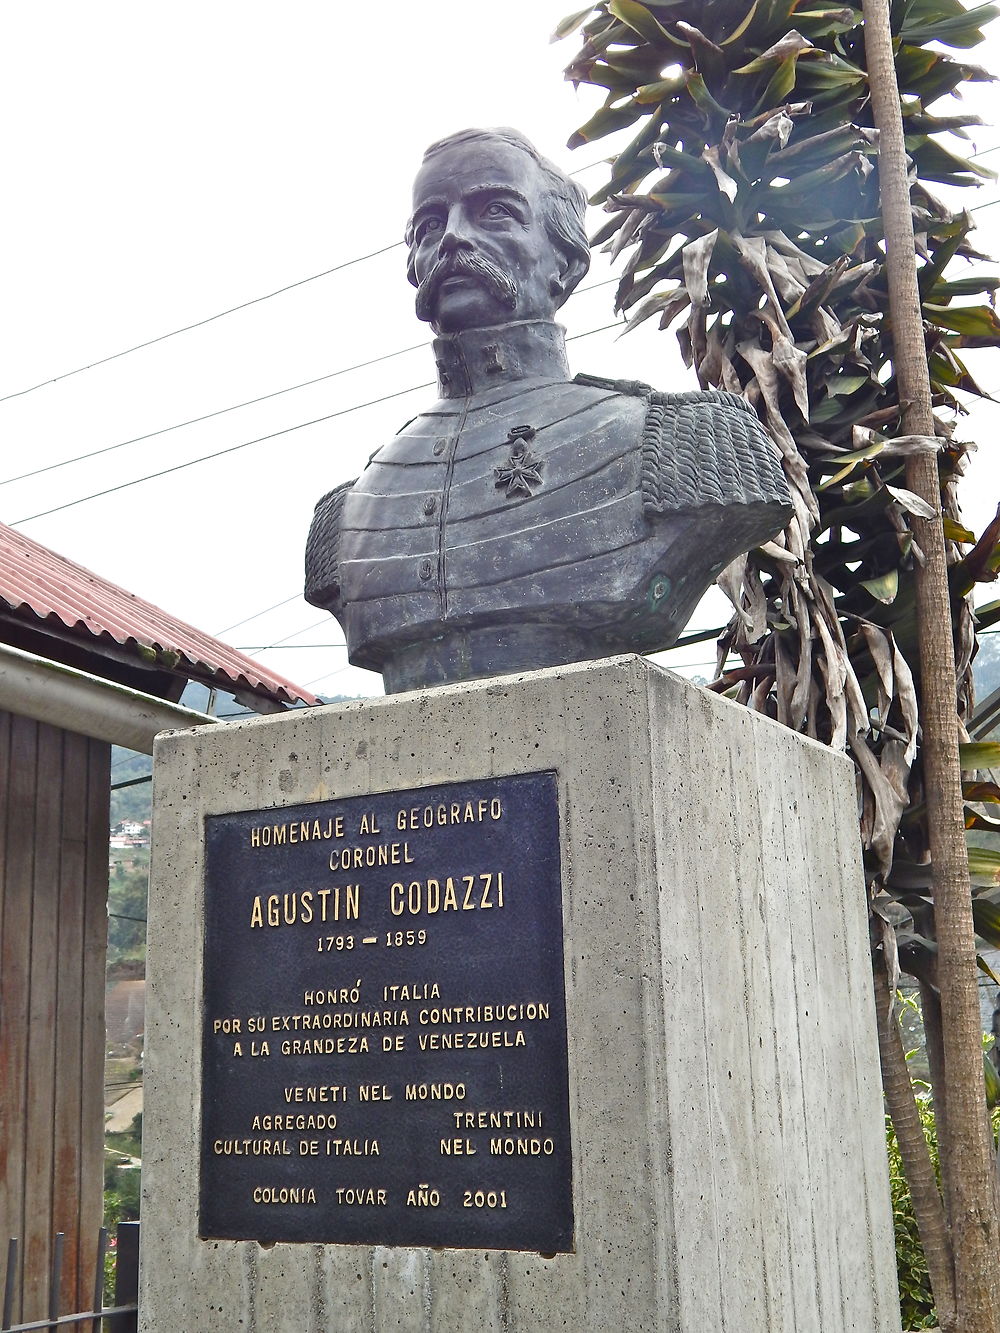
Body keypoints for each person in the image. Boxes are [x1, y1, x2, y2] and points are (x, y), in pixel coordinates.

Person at [305, 128, 791, 693]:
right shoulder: (345, 515)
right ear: (413, 263)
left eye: (495, 213)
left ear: (564, 263)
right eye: (430, 225)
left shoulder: (688, 442)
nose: (455, 239)